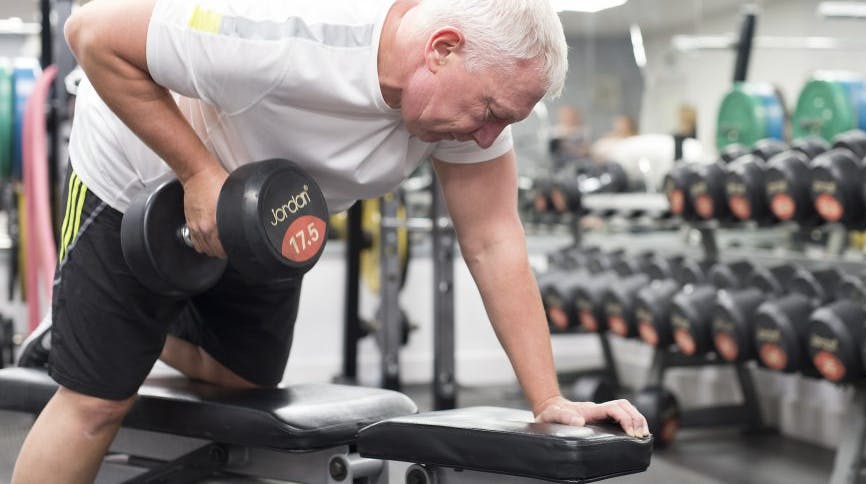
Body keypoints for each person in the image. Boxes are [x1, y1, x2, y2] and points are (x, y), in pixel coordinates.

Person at [10, 0, 650, 482]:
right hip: (141, 176)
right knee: (96, 402)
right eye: (489, 114)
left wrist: (550, 398)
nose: (488, 137)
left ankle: (117, 332)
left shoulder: (472, 102)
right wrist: (198, 172)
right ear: (442, 49)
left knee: (244, 377)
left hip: (268, 213)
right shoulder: (288, 29)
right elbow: (91, 32)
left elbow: (492, 238)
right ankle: (83, 337)